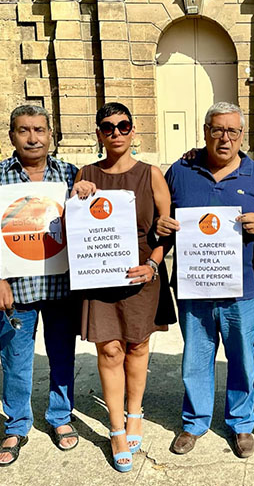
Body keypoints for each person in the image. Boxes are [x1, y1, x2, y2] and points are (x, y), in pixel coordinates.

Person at [157, 102, 254, 458]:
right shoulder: (180, 171)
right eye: (217, 130)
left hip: (243, 290)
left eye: (232, 131)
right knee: (195, 357)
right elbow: (159, 217)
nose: (224, 138)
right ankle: (194, 422)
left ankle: (241, 423)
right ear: (205, 131)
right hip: (195, 287)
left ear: (243, 136)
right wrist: (161, 227)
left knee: (242, 359)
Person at [69, 102, 175, 472]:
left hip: (139, 275)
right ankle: (116, 428)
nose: (116, 132)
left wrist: (153, 264)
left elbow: (166, 229)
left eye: (123, 125)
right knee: (110, 350)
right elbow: (72, 228)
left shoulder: (151, 175)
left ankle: (136, 413)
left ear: (133, 131)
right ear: (98, 133)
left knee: (138, 346)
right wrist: (75, 194)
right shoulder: (84, 174)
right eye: (107, 127)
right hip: (98, 276)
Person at [0, 105, 80, 466]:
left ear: (51, 134)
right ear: (12, 136)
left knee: (63, 357)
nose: (32, 138)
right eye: (23, 131)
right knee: (16, 361)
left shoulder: (69, 174)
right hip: (15, 289)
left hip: (62, 287)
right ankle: (17, 425)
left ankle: (60, 417)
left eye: (39, 130)